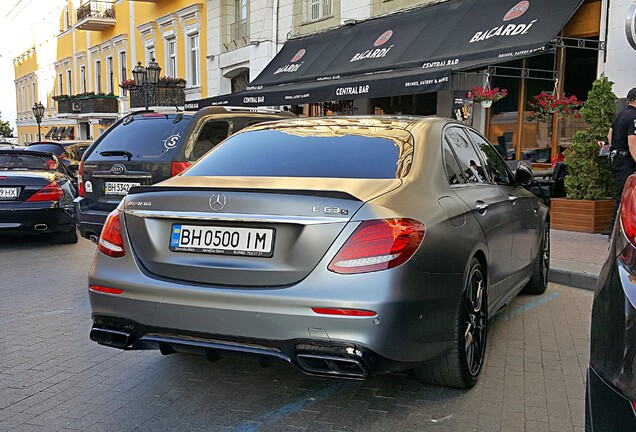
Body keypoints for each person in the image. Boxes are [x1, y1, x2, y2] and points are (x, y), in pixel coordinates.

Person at [606, 87, 636, 235]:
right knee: (625, 195)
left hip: (615, 158)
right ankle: (615, 231)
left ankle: (614, 229)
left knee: (620, 194)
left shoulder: (620, 114)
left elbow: (609, 135)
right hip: (625, 160)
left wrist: (614, 150)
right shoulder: (634, 117)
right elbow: (632, 142)